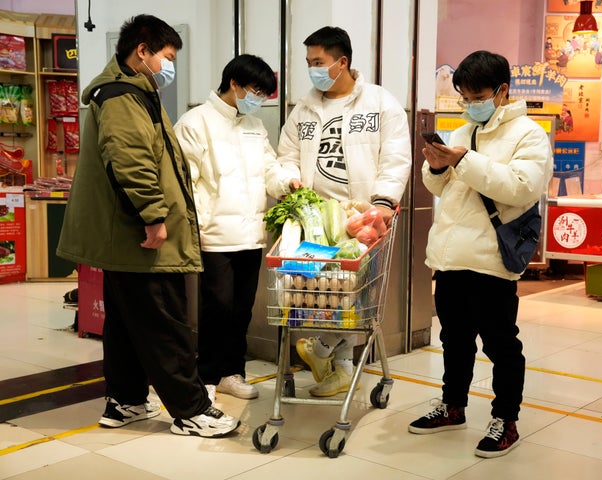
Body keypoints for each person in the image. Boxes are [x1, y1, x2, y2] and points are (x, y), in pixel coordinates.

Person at [56, 14, 239, 437]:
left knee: (125, 322)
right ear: (143, 50)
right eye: (167, 56)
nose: (169, 66)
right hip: (138, 234)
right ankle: (191, 409)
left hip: (123, 236)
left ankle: (126, 402)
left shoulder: (131, 92)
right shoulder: (122, 96)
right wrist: (154, 217)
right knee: (164, 321)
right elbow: (131, 161)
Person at [407, 50, 552, 458]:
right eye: (464, 98)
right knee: (454, 340)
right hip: (451, 256)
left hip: (491, 260)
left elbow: (521, 188)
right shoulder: (460, 132)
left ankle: (506, 419)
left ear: (502, 91)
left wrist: (465, 161)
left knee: (501, 345)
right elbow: (443, 189)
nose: (470, 105)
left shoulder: (528, 134)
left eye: (477, 96)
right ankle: (452, 406)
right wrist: (436, 167)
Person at [274, 26, 411, 397]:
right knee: (321, 294)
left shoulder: (380, 104)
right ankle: (334, 365)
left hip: (361, 217)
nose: (313, 70)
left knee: (355, 295)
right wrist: (289, 182)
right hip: (315, 221)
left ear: (342, 61)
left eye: (319, 62)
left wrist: (382, 203)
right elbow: (285, 155)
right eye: (309, 63)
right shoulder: (303, 109)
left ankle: (324, 353)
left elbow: (396, 157)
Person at [174, 54, 288, 401]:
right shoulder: (195, 123)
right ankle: (208, 375)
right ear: (233, 84)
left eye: (264, 94)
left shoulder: (254, 125)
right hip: (215, 237)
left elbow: (270, 168)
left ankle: (233, 373)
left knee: (241, 309)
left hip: (252, 235)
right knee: (217, 308)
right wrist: (196, 227)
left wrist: (287, 182)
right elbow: (185, 182)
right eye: (255, 90)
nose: (258, 99)